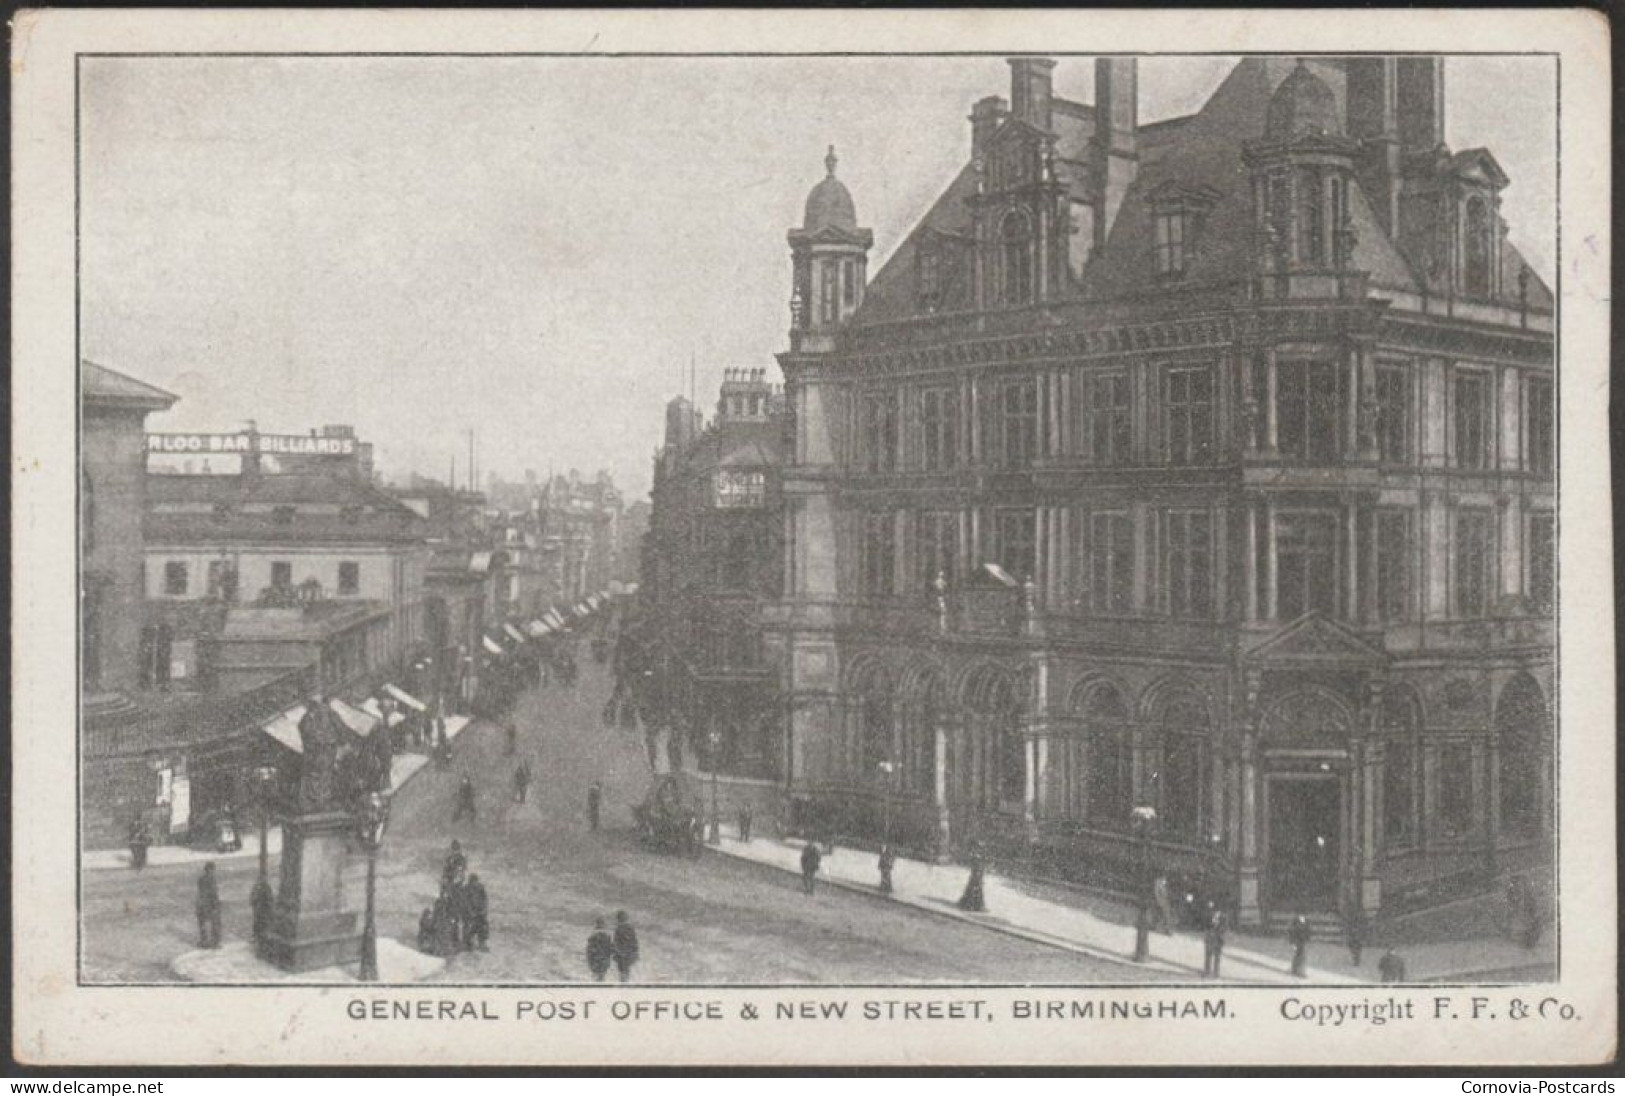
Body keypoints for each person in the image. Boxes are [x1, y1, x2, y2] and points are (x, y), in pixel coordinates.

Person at [195, 862, 222, 949]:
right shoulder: (212, 879)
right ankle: (215, 942)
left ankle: (204, 941)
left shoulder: (201, 879)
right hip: (210, 904)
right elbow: (213, 893)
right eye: (213, 869)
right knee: (215, 923)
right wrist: (216, 905)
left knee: (202, 923)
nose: (214, 871)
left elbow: (201, 891)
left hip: (201, 904)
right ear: (210, 870)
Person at [464, 873, 490, 952]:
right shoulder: (467, 888)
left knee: (482, 927)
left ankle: (481, 943)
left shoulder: (480, 888)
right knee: (470, 927)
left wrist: (483, 910)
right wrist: (470, 911)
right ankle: (469, 943)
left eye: (475, 881)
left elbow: (485, 899)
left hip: (479, 911)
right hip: (471, 912)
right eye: (472, 881)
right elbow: (466, 901)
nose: (474, 883)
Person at [612, 910, 640, 983]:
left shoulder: (618, 928)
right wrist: (635, 951)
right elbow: (634, 941)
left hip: (620, 953)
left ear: (618, 919)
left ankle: (623, 982)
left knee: (622, 970)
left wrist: (615, 951)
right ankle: (625, 981)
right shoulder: (630, 928)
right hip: (629, 952)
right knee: (627, 969)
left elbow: (615, 942)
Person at [1203, 909, 1227, 978]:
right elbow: (1206, 926)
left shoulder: (1223, 917)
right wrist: (1212, 923)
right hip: (1210, 938)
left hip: (1218, 939)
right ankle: (1207, 971)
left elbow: (1225, 927)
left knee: (1217, 957)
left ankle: (1216, 972)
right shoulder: (1209, 915)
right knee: (1208, 955)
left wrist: (1221, 934)